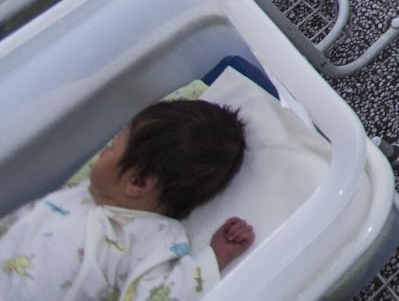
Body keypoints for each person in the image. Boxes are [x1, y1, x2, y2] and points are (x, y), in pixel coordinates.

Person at [0, 100, 253, 299]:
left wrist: (214, 259)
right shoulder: (86, 192)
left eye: (112, 147)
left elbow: (163, 294)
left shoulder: (152, 239)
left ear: (138, 182)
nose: (102, 152)